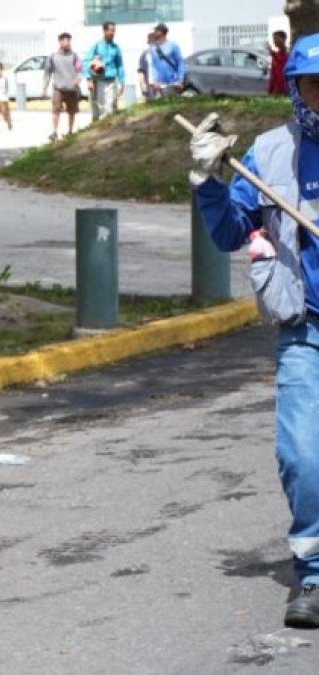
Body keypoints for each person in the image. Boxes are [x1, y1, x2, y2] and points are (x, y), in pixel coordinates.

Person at [190, 33, 319, 629]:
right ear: (295, 91)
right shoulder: (268, 155)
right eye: (314, 87)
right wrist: (208, 181)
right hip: (306, 332)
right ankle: (313, 574)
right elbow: (226, 233)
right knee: (302, 456)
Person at [83, 21, 126, 120]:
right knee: (101, 107)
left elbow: (120, 65)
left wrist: (122, 82)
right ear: (104, 31)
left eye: (114, 31)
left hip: (112, 80)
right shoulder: (97, 46)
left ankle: (111, 126)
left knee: (112, 105)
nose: (112, 33)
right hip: (99, 81)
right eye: (110, 30)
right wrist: (89, 79)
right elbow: (86, 62)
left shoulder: (116, 48)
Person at [43, 32, 82, 141]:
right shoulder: (53, 57)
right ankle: (54, 132)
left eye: (68, 40)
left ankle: (70, 131)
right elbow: (47, 72)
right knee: (56, 110)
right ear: (59, 42)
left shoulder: (74, 56)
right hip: (58, 88)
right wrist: (44, 88)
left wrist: (78, 79)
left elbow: (80, 70)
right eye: (64, 40)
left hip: (71, 88)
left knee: (72, 111)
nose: (67, 43)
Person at [148, 23, 186, 98]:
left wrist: (180, 80)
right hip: (159, 84)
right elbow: (153, 66)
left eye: (155, 31)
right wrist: (154, 80)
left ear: (161, 32)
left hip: (173, 83)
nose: (154, 33)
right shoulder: (153, 48)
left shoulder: (173, 46)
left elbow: (180, 63)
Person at [137, 31, 156, 101]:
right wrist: (142, 85)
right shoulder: (145, 55)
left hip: (162, 86)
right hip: (150, 87)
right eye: (151, 41)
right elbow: (141, 71)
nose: (153, 43)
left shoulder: (163, 54)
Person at [269, 30, 289, 96]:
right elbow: (273, 74)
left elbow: (282, 62)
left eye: (276, 39)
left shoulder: (288, 54)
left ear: (283, 39)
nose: (274, 41)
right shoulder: (275, 55)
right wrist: (270, 89)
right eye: (274, 39)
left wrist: (273, 54)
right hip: (277, 89)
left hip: (286, 88)